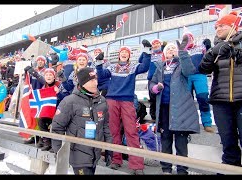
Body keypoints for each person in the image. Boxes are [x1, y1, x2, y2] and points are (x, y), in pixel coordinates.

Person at [198, 11, 242, 168]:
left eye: (222, 25)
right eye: (216, 26)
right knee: (227, 142)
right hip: (221, 99)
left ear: (234, 26)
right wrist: (213, 53)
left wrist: (241, 54)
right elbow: (203, 69)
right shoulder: (216, 46)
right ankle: (230, 170)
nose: (218, 29)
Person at [95, 41, 151, 175]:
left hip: (127, 101)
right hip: (112, 100)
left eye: (126, 52)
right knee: (114, 131)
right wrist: (98, 62)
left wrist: (147, 51)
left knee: (131, 131)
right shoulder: (113, 67)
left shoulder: (133, 66)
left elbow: (145, 67)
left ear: (129, 55)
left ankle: (137, 165)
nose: (124, 53)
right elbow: (102, 75)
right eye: (122, 52)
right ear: (119, 55)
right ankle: (116, 160)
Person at [150, 37, 200, 174]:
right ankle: (166, 169)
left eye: (173, 48)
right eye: (168, 49)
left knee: (181, 141)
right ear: (164, 53)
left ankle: (182, 170)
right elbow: (152, 83)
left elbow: (190, 71)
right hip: (164, 109)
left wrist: (183, 53)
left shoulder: (182, 64)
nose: (171, 50)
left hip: (181, 109)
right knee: (165, 140)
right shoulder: (160, 67)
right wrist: (155, 88)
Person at [51, 67, 112, 175]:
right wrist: (59, 152)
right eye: (92, 80)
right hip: (78, 156)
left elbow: (105, 126)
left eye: (96, 79)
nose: (96, 83)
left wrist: (109, 149)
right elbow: (57, 127)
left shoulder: (102, 101)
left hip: (95, 155)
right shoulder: (70, 101)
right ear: (83, 83)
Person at [183, 28, 214, 133]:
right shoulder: (182, 51)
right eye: (185, 39)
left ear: (192, 38)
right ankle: (190, 123)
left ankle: (207, 123)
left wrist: (209, 47)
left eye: (189, 38)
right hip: (186, 77)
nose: (188, 40)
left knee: (203, 97)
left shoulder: (200, 47)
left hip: (200, 75)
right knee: (187, 101)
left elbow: (209, 56)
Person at [144, 39, 163, 121]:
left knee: (162, 98)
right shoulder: (150, 54)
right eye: (154, 43)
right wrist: (146, 49)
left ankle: (162, 115)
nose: (156, 45)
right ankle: (154, 116)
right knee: (152, 98)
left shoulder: (164, 53)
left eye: (157, 43)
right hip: (151, 79)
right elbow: (141, 60)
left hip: (162, 78)